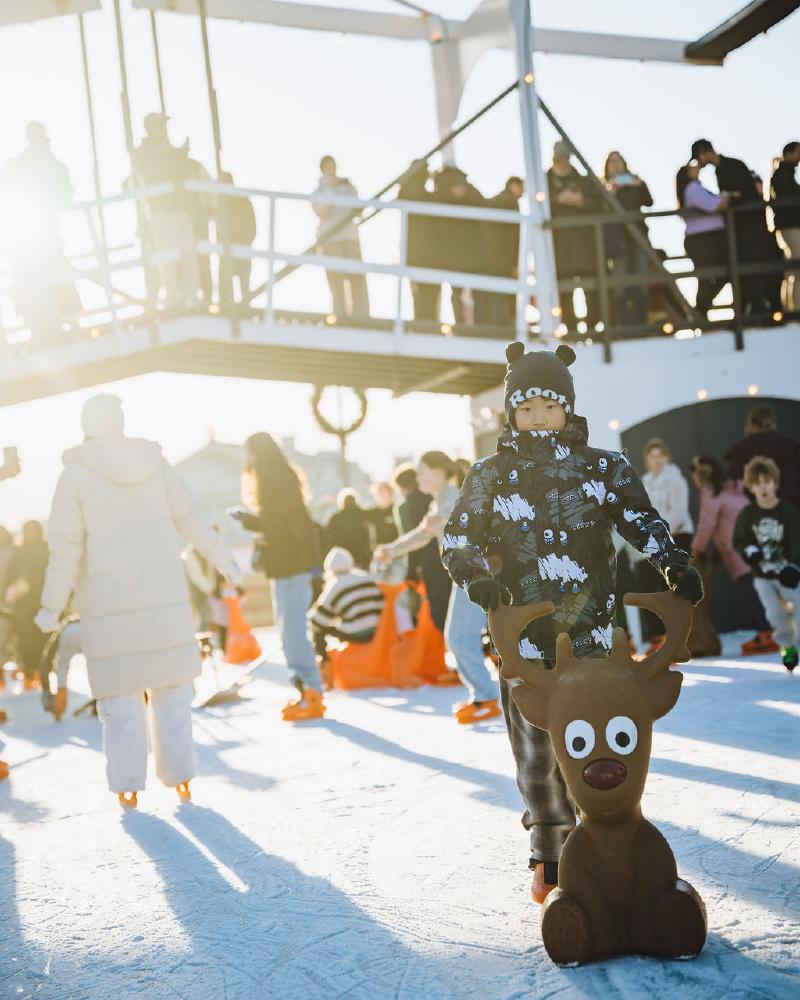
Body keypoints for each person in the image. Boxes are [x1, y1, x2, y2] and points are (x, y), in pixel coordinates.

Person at [441, 342, 702, 903]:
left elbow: (642, 522)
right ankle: (552, 855)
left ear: (568, 408)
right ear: (511, 412)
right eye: (527, 407)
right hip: (525, 641)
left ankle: (612, 839)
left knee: (601, 745)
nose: (538, 417)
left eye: (549, 406)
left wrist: (674, 564)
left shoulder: (601, 466)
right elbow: (456, 541)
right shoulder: (491, 474)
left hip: (591, 640)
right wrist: (478, 580)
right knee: (537, 752)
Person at [34, 394, 239, 807]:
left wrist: (50, 606)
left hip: (108, 608)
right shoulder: (154, 464)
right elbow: (191, 516)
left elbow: (65, 549)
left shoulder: (75, 476)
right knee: (172, 692)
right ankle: (180, 777)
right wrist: (223, 559)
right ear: (121, 423)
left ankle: (127, 785)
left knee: (121, 701)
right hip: (163, 597)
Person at [375, 451, 500, 724]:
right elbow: (421, 536)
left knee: (460, 635)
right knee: (457, 636)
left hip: (478, 573)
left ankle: (486, 697)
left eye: (422, 472)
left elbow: (463, 510)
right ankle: (484, 695)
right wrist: (391, 550)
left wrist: (442, 516)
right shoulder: (438, 502)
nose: (418, 478)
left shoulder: (456, 495)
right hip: (464, 575)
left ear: (439, 471)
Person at [228, 433, 325, 720]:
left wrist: (312, 564)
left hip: (293, 568)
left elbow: (297, 523)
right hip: (284, 568)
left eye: (250, 453)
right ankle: (306, 690)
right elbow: (278, 525)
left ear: (259, 454)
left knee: (293, 634)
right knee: (288, 633)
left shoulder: (280, 481)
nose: (247, 460)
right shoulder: (275, 482)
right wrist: (251, 521)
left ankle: (312, 692)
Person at [690, 455, 777, 656]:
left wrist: (697, 551)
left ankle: (767, 634)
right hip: (755, 543)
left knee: (752, 592)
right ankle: (769, 632)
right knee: (760, 588)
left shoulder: (711, 491)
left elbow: (707, 525)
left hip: (739, 549)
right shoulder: (734, 488)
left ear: (700, 474)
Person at [0, 122, 80, 338]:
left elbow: (62, 197)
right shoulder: (29, 166)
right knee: (38, 281)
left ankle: (59, 326)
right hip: (30, 240)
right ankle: (50, 328)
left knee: (50, 279)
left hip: (42, 238)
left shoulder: (36, 165)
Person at [692, 139, 782, 316]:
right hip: (739, 228)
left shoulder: (732, 166)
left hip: (751, 226)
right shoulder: (721, 170)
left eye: (699, 157)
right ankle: (749, 311)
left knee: (752, 268)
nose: (699, 163)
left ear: (705, 153)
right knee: (743, 270)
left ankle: (757, 311)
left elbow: (746, 194)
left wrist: (731, 197)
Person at [734, 456, 800, 672]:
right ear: (751, 487)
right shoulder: (748, 514)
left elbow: (797, 540)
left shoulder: (787, 512)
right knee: (774, 614)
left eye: (767, 482)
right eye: (758, 483)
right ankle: (788, 646)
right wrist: (750, 552)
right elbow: (740, 539)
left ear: (775, 483)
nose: (763, 487)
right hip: (763, 576)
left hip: (788, 572)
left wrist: (794, 565)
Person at [132, 113, 198, 309]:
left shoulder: (167, 149)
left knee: (188, 254)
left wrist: (180, 154)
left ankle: (191, 298)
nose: (163, 129)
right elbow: (157, 171)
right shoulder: (144, 152)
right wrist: (178, 155)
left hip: (179, 208)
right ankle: (172, 301)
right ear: (150, 128)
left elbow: (178, 170)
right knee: (168, 256)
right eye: (160, 126)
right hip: (161, 211)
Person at [635, 439, 694, 654]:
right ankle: (659, 636)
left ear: (666, 458)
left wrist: (662, 534)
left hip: (677, 535)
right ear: (647, 461)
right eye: (653, 456)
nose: (657, 460)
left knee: (676, 587)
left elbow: (679, 511)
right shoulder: (645, 482)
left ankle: (684, 637)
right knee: (649, 585)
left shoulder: (675, 478)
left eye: (660, 455)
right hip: (654, 541)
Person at [547, 140, 603, 332]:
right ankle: (570, 331)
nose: (562, 161)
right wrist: (558, 200)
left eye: (565, 157)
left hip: (585, 244)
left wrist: (580, 201)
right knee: (564, 290)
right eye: (558, 158)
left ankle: (593, 328)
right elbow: (538, 207)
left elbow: (598, 205)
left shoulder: (584, 181)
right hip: (559, 246)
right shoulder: (544, 181)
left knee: (591, 288)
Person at [313, 156, 369, 320]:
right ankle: (340, 315)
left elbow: (358, 209)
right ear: (323, 170)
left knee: (357, 278)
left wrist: (348, 189)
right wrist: (329, 188)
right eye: (328, 167)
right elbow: (322, 211)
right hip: (331, 239)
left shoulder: (348, 187)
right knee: (336, 280)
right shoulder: (319, 192)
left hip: (350, 237)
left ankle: (362, 315)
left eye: (333, 166)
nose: (332, 170)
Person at [432, 164, 488, 325]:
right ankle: (478, 324)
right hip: (471, 249)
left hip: (452, 250)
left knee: (457, 292)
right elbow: (481, 201)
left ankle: (461, 324)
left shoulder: (441, 189)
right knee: (476, 292)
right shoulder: (468, 187)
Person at [603, 151, 653, 327]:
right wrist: (611, 193)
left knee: (641, 279)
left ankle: (642, 323)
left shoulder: (635, 182)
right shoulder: (604, 187)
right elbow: (602, 210)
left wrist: (639, 185)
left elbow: (649, 201)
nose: (616, 164)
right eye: (612, 161)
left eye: (619, 160)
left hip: (638, 237)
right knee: (620, 282)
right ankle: (622, 325)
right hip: (617, 240)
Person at [309, 547, 384, 663]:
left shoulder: (334, 585)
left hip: (356, 634)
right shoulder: (368, 577)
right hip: (379, 630)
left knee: (317, 626)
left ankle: (324, 660)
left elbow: (317, 619)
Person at [676, 162, 732, 317]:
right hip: (702, 240)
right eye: (691, 166)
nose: (696, 167)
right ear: (687, 173)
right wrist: (728, 196)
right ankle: (700, 311)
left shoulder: (693, 188)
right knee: (711, 277)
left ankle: (700, 311)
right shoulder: (693, 188)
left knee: (712, 276)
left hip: (704, 239)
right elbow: (716, 206)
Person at [725, 404, 800, 509]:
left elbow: (735, 487)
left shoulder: (741, 451)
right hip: (791, 510)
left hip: (754, 513)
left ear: (751, 424)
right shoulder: (791, 448)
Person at [4, 521, 49, 689]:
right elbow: (10, 574)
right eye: (28, 530)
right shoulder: (19, 552)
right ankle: (30, 673)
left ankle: (43, 672)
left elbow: (54, 573)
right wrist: (12, 590)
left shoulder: (46, 549)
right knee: (25, 640)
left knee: (42, 638)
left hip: (43, 601)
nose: (31, 533)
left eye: (33, 530)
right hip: (24, 604)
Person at [397, 159, 442, 323]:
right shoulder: (422, 195)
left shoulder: (408, 192)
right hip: (428, 255)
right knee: (428, 296)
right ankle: (427, 325)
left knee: (419, 295)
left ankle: (421, 324)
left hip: (416, 254)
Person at [484, 176, 524, 327]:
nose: (522, 194)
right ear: (514, 186)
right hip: (505, 259)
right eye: (521, 189)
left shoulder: (493, 202)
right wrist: (515, 262)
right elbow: (513, 236)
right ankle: (508, 327)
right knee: (508, 297)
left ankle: (495, 326)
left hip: (490, 256)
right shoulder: (510, 203)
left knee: (495, 295)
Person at [217, 170, 257, 308]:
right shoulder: (243, 201)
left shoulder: (227, 202)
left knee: (229, 285)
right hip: (240, 246)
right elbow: (253, 228)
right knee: (242, 285)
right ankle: (243, 309)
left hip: (236, 247)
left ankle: (228, 309)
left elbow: (252, 227)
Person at [770, 141, 800, 312]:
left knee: (791, 271)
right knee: (796, 270)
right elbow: (787, 200)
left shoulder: (784, 174)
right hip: (790, 227)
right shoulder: (782, 175)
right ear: (788, 153)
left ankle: (791, 310)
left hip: (787, 228)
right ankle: (795, 311)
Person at [393, 464, 431, 581]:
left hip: (419, 564)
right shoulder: (432, 499)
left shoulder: (404, 508)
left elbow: (408, 537)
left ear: (402, 487)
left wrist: (411, 569)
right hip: (440, 559)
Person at [324, 490, 372, 570]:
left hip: (343, 557)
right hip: (363, 556)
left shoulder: (335, 518)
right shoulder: (364, 515)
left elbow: (329, 539)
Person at [365, 482, 398, 548]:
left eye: (383, 492)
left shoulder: (397, 509)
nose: (381, 495)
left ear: (391, 493)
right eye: (379, 492)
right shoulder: (372, 512)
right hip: (379, 551)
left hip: (396, 550)